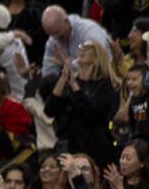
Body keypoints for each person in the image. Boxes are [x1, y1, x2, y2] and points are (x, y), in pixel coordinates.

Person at [44, 38, 120, 171]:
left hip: (94, 148)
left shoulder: (105, 85)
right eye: (81, 46)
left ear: (98, 55)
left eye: (87, 47)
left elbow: (94, 114)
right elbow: (50, 110)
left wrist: (74, 85)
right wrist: (63, 77)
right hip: (67, 146)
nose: (81, 49)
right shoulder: (70, 83)